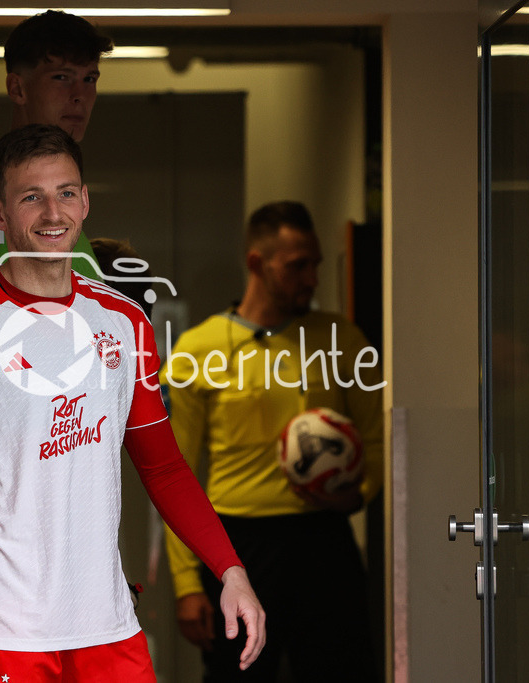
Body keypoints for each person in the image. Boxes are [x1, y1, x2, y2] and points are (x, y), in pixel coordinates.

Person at [0, 124, 266, 681]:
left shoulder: (124, 321)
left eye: (66, 192)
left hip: (108, 628)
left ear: (85, 201)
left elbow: (162, 466)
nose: (52, 213)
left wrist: (230, 569)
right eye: (30, 197)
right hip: (5, 630)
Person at [162, 201, 383, 682]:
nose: (312, 278)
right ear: (257, 264)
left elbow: (379, 438)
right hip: (237, 548)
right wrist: (186, 585)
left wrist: (357, 494)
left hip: (324, 540)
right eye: (297, 266)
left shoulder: (343, 340)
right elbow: (172, 472)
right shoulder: (197, 351)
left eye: (315, 264)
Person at [0, 9, 111, 279]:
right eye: (61, 77)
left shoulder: (66, 222)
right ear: (17, 89)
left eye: (89, 79)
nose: (79, 95)